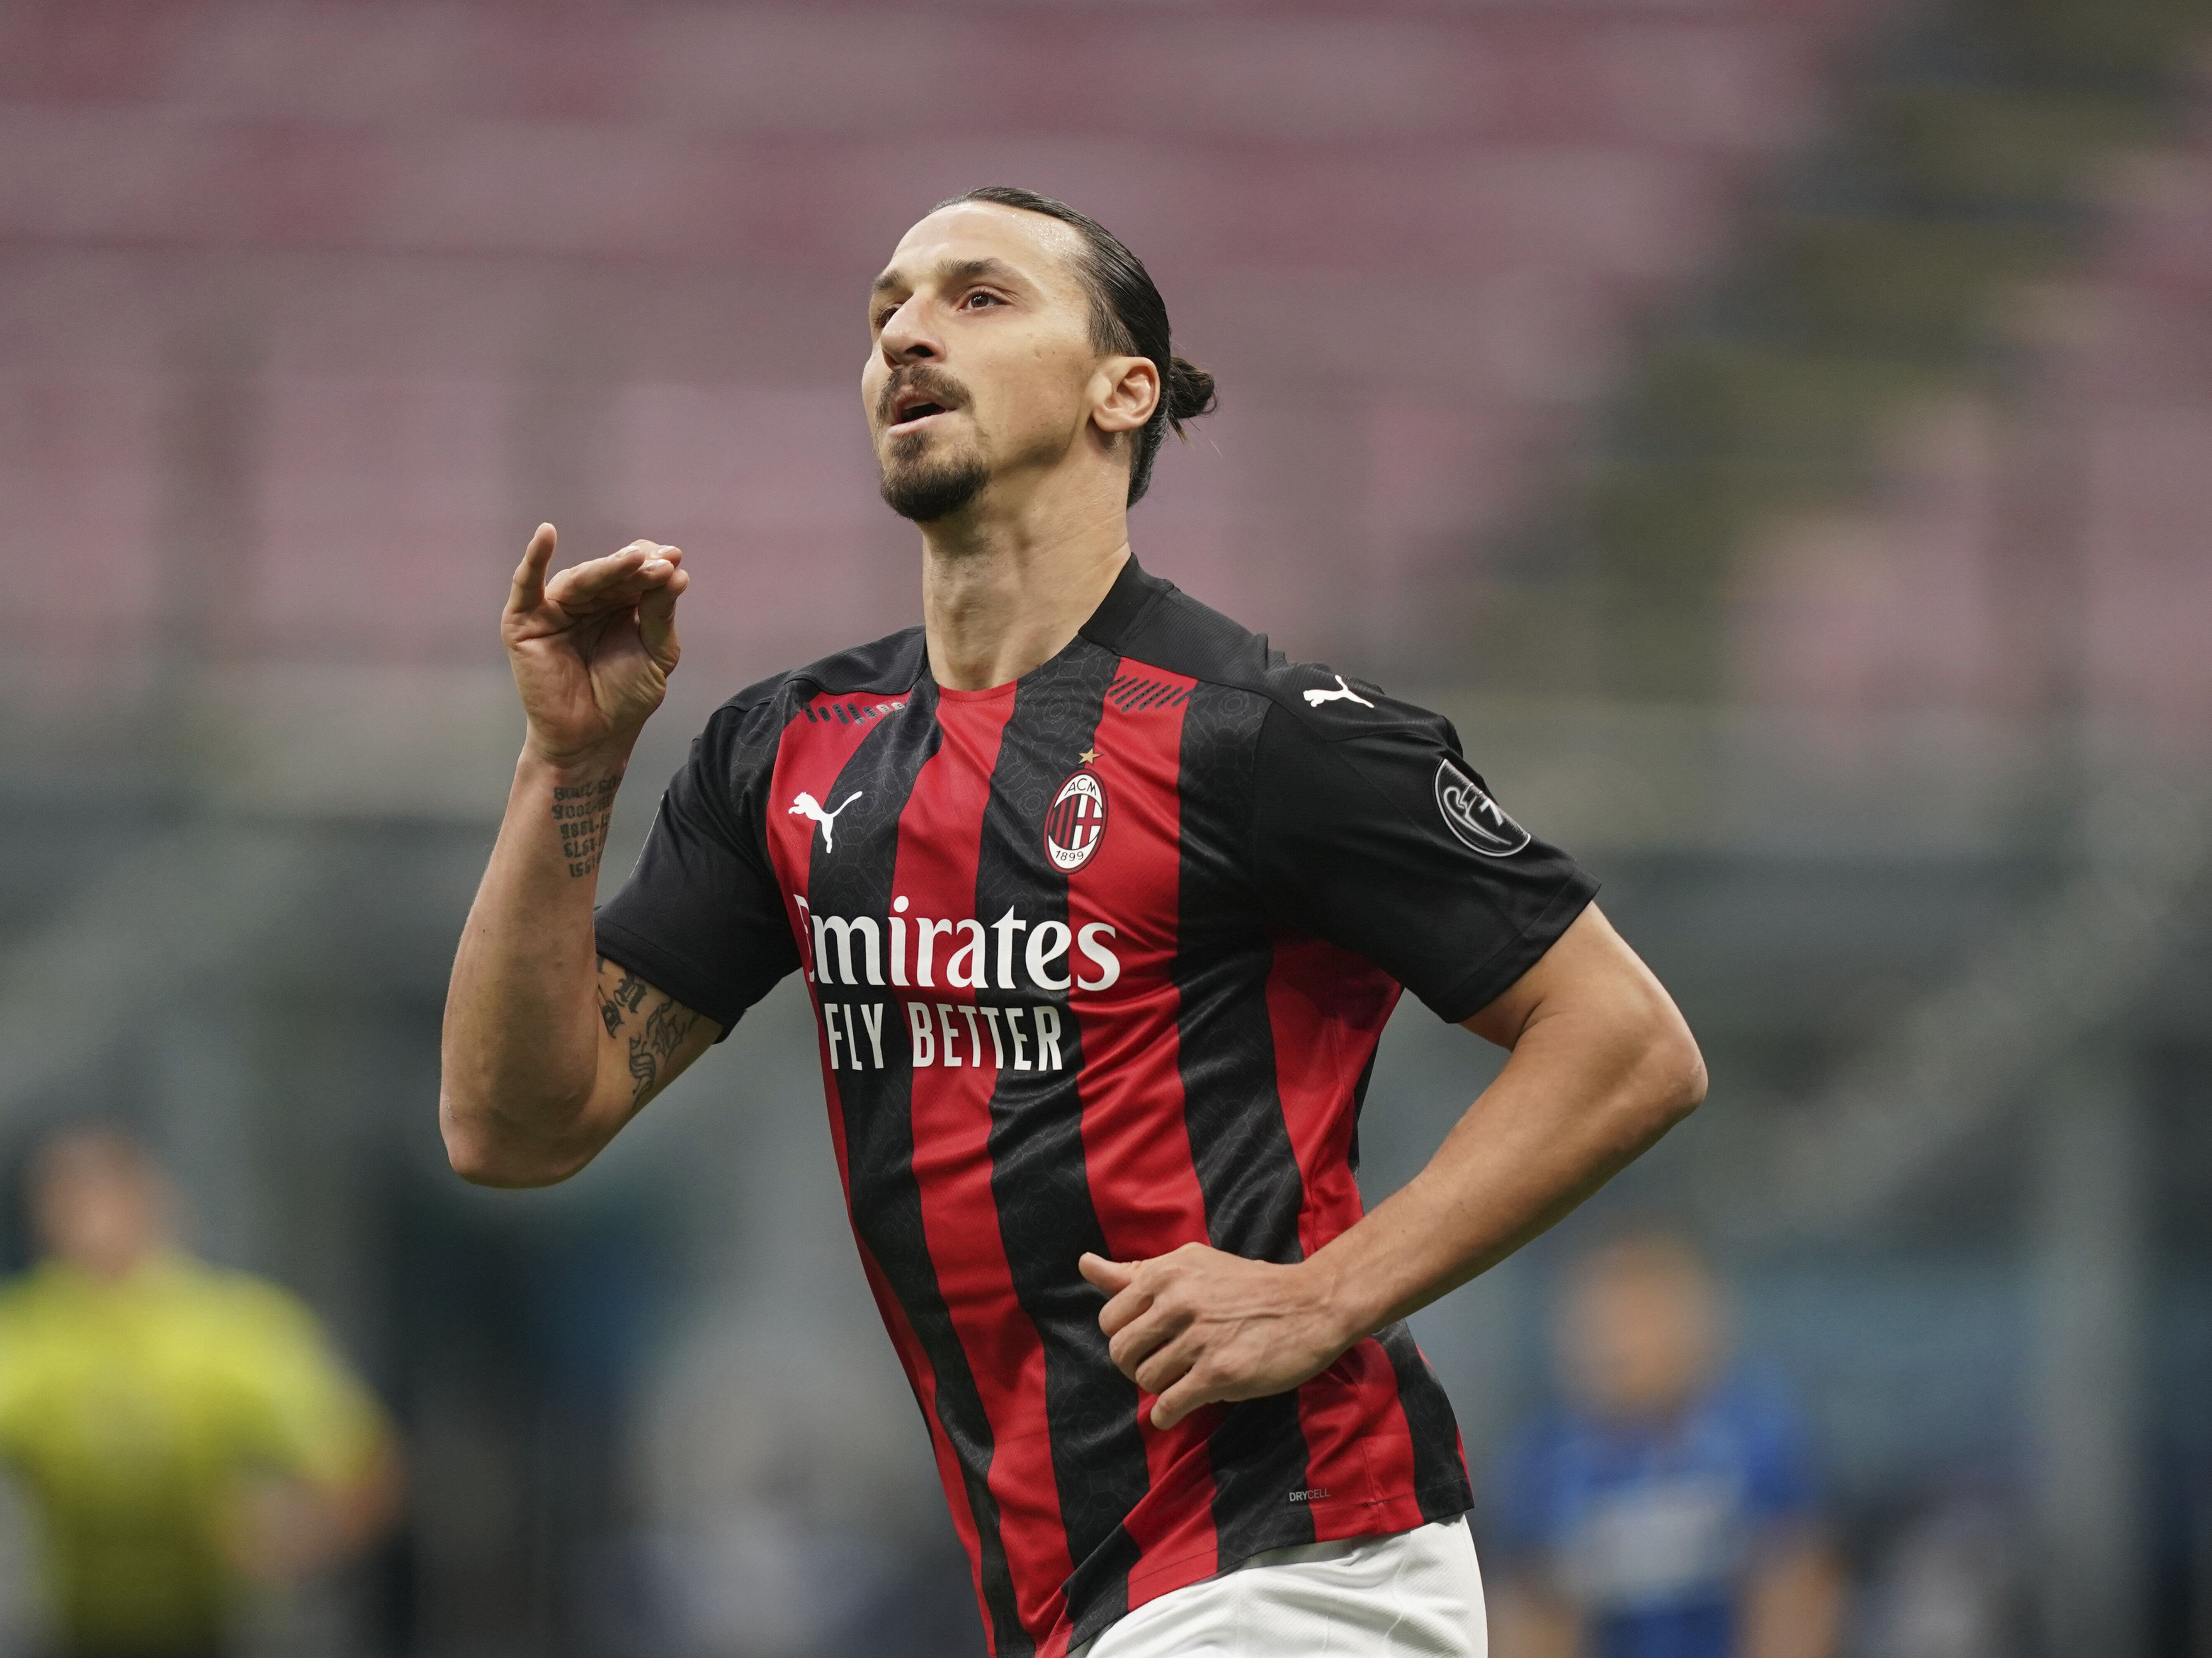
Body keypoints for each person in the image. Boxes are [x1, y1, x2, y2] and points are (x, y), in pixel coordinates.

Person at [438, 184, 1707, 1658]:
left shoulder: (1268, 736)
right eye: (884, 309)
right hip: (1054, 1593)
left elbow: (1626, 1039)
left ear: (1126, 389)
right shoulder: (790, 747)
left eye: (979, 296)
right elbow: (512, 1125)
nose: (908, 328)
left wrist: (1325, 1293)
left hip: (1288, 1566)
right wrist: (568, 765)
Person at [0, 1125, 402, 1658]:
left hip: (220, 1632)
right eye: (73, 1203)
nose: (95, 1224)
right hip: (67, 1633)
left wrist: (289, 1536)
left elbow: (362, 1468)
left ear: (158, 1205)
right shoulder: (20, 1336)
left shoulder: (235, 1332)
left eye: (109, 1198)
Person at [1488, 1232, 1842, 1658]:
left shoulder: (1758, 1434)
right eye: (1599, 1321)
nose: (1617, 1342)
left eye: (1639, 1316)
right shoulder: (1544, 1459)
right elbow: (1529, 1619)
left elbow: (1798, 1598)